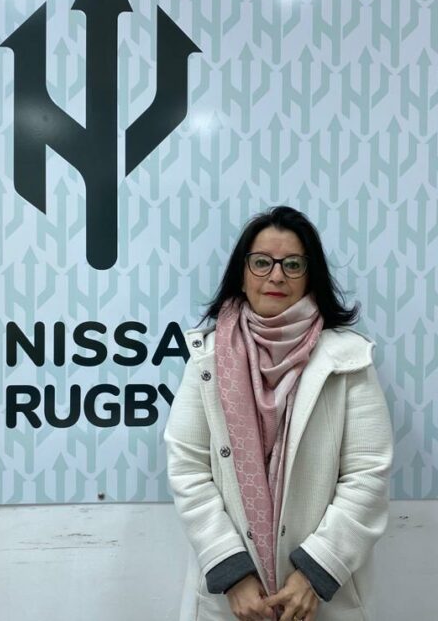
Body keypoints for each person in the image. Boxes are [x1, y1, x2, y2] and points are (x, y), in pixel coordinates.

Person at [164, 206, 394, 621]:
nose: (276, 276)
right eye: (261, 263)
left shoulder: (348, 359)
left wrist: (314, 573)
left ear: (310, 276)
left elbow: (367, 475)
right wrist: (233, 573)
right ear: (243, 273)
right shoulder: (207, 359)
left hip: (321, 597)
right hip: (232, 600)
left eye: (292, 264)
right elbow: (188, 468)